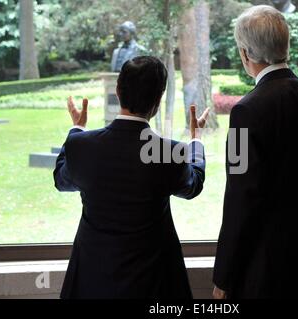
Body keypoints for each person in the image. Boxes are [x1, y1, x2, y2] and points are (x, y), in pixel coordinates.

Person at [54, 56, 209, 299]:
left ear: (118, 91)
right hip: (154, 281)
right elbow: (193, 185)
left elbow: (61, 181)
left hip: (92, 278)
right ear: (158, 100)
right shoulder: (169, 152)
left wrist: (76, 129)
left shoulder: (81, 145)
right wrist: (196, 140)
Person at [213, 5, 298, 299]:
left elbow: (241, 197)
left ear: (245, 54)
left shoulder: (245, 112)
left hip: (258, 270)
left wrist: (224, 276)